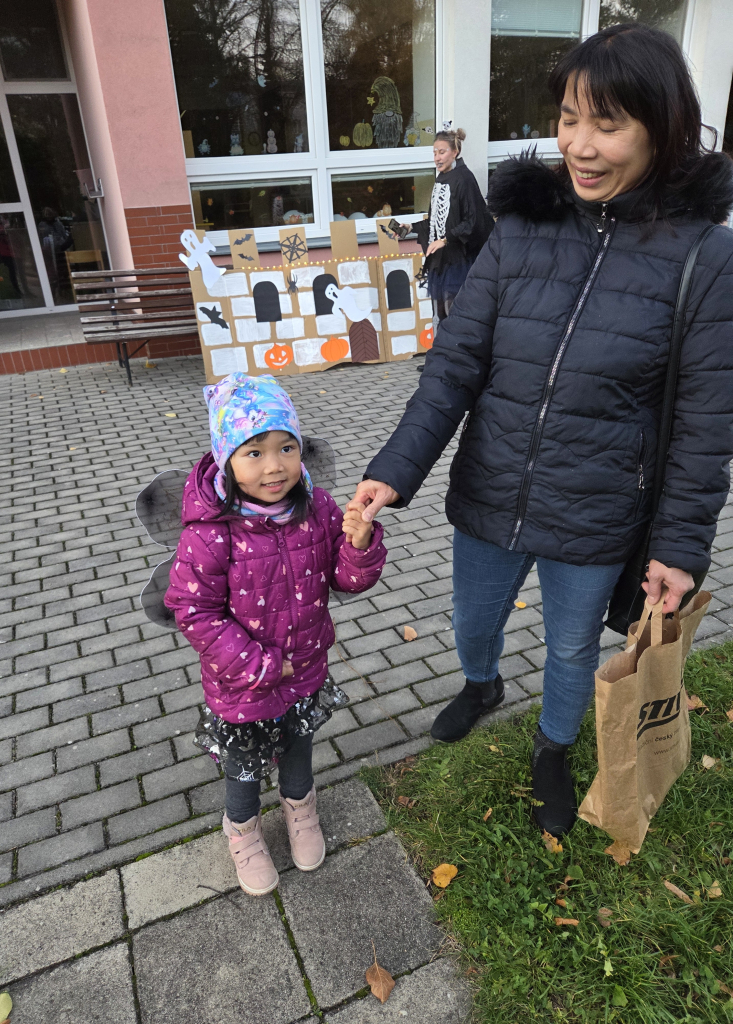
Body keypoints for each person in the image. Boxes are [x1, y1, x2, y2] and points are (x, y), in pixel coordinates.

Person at [352, 24, 733, 838]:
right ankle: (482, 683)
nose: (580, 147)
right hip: (491, 487)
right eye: (568, 118)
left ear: (661, 128)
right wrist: (395, 465)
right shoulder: (520, 229)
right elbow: (454, 364)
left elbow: (707, 422)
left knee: (567, 652)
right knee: (472, 622)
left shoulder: (706, 255)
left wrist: (681, 545)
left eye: (608, 124)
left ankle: (553, 749)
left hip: (596, 509)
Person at [165, 373, 386, 894]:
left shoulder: (318, 509)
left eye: (286, 447)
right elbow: (193, 611)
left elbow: (348, 579)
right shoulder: (210, 532)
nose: (274, 465)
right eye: (254, 452)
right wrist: (260, 665)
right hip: (242, 684)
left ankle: (301, 812)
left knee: (299, 750)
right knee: (243, 769)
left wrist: (359, 543)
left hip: (306, 671)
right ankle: (242, 832)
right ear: (226, 460)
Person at [398, 126, 494, 323]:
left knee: (456, 314)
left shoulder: (464, 179)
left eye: (442, 152)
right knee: (440, 314)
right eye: (434, 153)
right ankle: (444, 352)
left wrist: (445, 240)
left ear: (455, 152)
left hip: (459, 261)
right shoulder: (442, 178)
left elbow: (473, 221)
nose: (437, 158)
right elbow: (436, 221)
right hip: (442, 260)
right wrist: (409, 228)